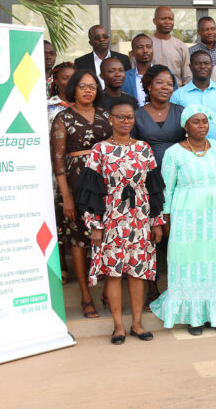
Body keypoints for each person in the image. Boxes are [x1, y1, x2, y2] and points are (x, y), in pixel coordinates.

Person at [75, 97, 165, 344]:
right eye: (121, 117)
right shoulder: (99, 150)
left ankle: (137, 324)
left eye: (130, 117)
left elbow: (154, 187)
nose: (126, 121)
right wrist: (95, 226)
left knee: (138, 272)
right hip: (111, 218)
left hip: (140, 217)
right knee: (113, 273)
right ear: (110, 119)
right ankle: (118, 326)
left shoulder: (144, 148)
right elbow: (91, 192)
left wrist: (156, 221)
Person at [150, 105, 216, 336]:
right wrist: (166, 220)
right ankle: (193, 318)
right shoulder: (174, 153)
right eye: (196, 121)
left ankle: (215, 316)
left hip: (214, 216)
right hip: (185, 216)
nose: (202, 126)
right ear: (185, 126)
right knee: (187, 263)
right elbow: (167, 189)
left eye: (205, 121)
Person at [51, 69, 112, 319]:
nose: (88, 90)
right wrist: (66, 197)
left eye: (93, 86)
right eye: (83, 86)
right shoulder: (63, 118)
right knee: (78, 241)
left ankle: (108, 291)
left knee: (108, 236)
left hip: (107, 184)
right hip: (76, 185)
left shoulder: (106, 116)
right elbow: (58, 161)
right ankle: (86, 296)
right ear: (73, 89)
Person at [131, 64, 186, 307]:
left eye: (170, 84)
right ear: (148, 85)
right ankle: (152, 288)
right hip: (146, 184)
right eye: (160, 83)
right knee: (149, 236)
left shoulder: (182, 112)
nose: (165, 87)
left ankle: (180, 287)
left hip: (179, 182)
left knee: (177, 235)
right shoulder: (137, 114)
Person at [170, 50, 216, 153]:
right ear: (190, 67)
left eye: (206, 63)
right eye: (198, 63)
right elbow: (175, 129)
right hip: (189, 153)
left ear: (212, 67)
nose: (202, 66)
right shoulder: (178, 95)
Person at [47, 61, 75, 285]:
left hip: (80, 169)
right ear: (56, 81)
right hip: (55, 169)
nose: (70, 82)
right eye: (65, 78)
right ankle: (61, 265)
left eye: (74, 78)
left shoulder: (85, 103)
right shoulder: (48, 107)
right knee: (57, 216)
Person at [152, 6, 192, 86]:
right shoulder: (146, 44)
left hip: (176, 92)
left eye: (171, 19)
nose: (167, 22)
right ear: (154, 21)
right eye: (163, 19)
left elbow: (187, 77)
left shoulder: (181, 46)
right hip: (150, 92)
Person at [122, 34, 154, 106]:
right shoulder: (124, 78)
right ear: (132, 53)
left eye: (149, 47)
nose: (145, 50)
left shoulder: (164, 74)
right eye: (140, 47)